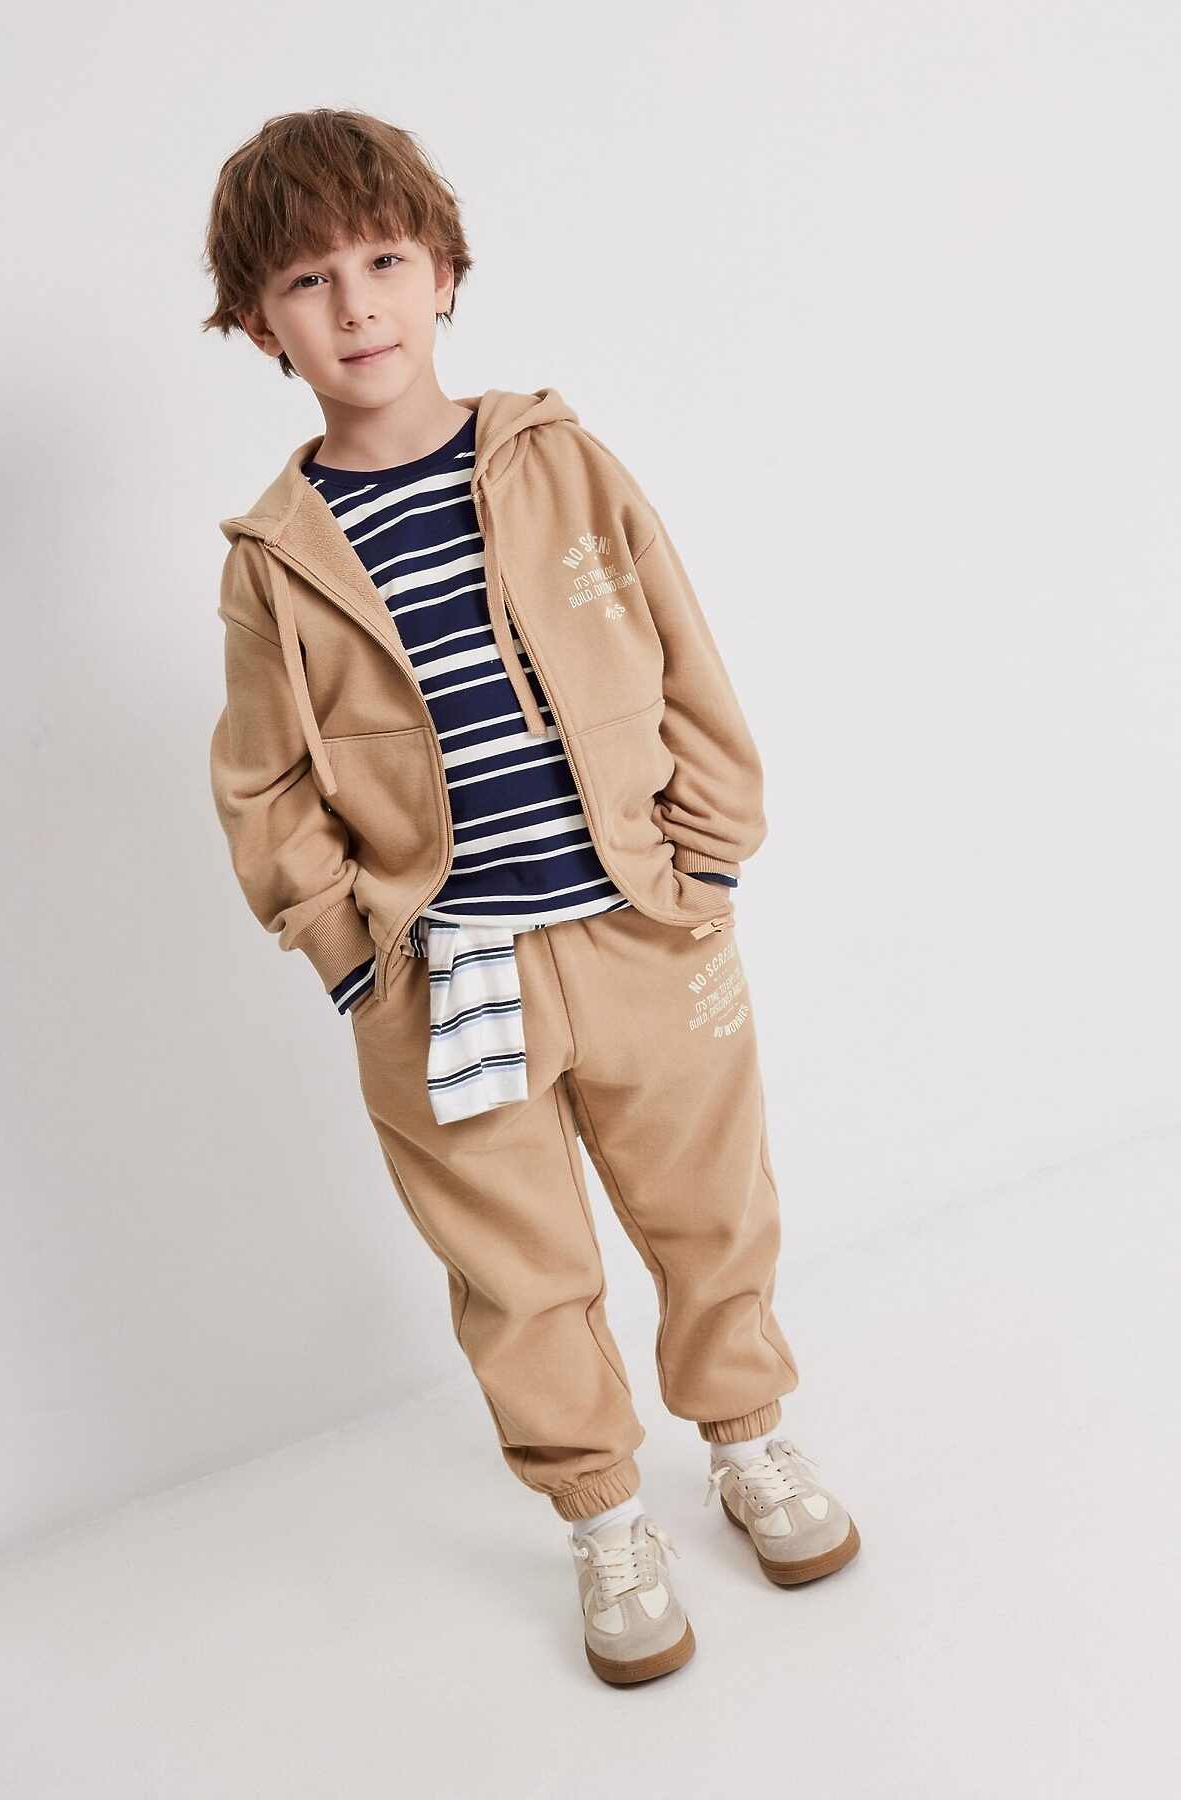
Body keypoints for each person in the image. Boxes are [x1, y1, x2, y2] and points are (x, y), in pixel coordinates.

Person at [202, 106, 860, 1686]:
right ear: (260, 326)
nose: (357, 305)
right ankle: (603, 1520)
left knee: (710, 1211)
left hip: (646, 929)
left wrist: (711, 853)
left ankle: (748, 1440)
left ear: (444, 273)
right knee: (518, 1273)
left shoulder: (559, 459)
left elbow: (686, 655)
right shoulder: (274, 559)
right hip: (445, 976)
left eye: (383, 261)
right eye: (308, 281)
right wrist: (358, 959)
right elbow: (263, 786)